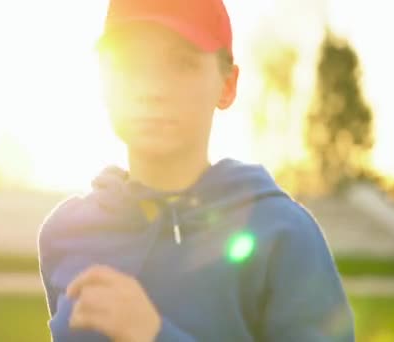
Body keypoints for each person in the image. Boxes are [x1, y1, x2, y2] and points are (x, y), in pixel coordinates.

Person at [38, 0, 355, 341]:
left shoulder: (284, 235)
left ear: (227, 84)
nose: (151, 89)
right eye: (128, 63)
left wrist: (155, 335)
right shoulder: (65, 231)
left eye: (181, 64)